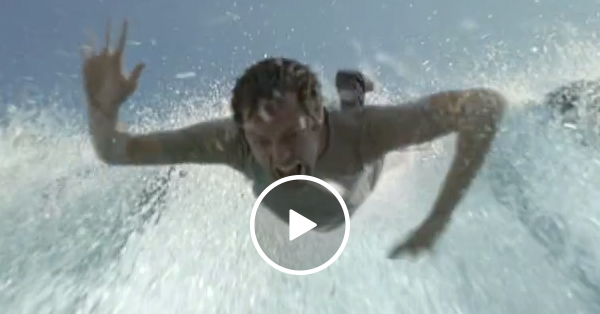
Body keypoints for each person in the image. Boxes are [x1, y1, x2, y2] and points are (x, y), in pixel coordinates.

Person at [81, 20, 506, 258]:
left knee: (389, 152)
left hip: (355, 174)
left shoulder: (369, 132)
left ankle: (353, 93)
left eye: (290, 135)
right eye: (262, 142)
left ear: (315, 117)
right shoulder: (231, 141)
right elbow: (114, 151)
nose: (279, 155)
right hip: (315, 206)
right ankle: (349, 91)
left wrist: (438, 218)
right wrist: (102, 109)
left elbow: (486, 106)